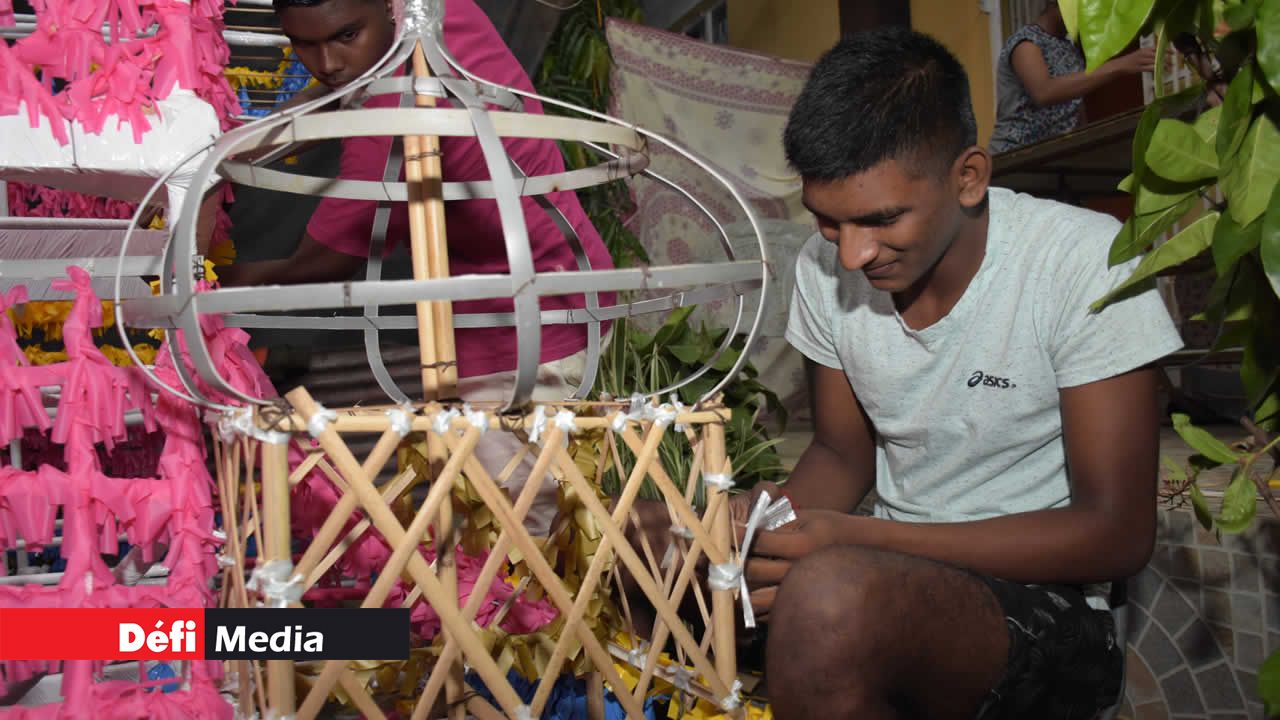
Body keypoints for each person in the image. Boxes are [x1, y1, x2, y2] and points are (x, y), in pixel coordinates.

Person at [740, 27, 1183, 720]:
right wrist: (765, 528)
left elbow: (1117, 533)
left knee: (831, 599)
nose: (852, 254)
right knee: (652, 549)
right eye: (828, 222)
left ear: (969, 177)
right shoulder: (825, 272)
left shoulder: (1083, 264)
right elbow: (838, 454)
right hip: (878, 572)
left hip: (1052, 606)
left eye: (880, 219)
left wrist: (856, 538)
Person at [219, 0, 614, 534]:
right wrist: (241, 147)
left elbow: (334, 251)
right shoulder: (426, 18)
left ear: (387, 8)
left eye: (344, 35)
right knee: (505, 523)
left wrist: (224, 284)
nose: (327, 62)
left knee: (526, 535)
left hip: (531, 315)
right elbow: (333, 93)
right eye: (303, 44)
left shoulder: (403, 77)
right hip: (508, 301)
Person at [989, 0, 1156, 153]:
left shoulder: (1070, 49)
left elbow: (1075, 109)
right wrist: (1121, 65)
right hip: (1013, 157)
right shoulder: (1026, 43)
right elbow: (1044, 92)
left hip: (1052, 158)